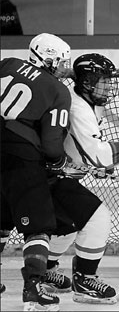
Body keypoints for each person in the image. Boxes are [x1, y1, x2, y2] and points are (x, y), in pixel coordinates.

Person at [40, 53, 119, 304]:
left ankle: (46, 269)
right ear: (87, 82)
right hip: (48, 176)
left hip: (55, 174)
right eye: (104, 80)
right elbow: (98, 154)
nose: (110, 85)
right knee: (98, 218)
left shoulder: (88, 102)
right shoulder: (78, 107)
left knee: (67, 225)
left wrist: (106, 160)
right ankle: (85, 280)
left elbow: (87, 150)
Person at [1, 33, 71, 311]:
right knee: (39, 226)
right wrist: (58, 162)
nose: (65, 67)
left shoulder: (6, 64)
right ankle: (34, 287)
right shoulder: (57, 90)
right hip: (19, 154)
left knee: (3, 216)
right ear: (48, 59)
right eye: (62, 62)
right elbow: (53, 145)